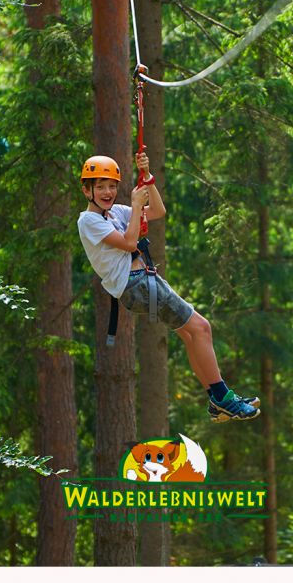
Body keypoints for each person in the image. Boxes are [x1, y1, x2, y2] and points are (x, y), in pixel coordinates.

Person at [77, 153, 260, 423]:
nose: (108, 192)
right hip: (136, 285)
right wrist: (137, 205)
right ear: (86, 190)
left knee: (191, 334)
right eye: (100, 186)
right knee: (201, 328)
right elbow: (129, 243)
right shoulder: (88, 221)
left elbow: (158, 212)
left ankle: (216, 400)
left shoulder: (115, 212)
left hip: (142, 284)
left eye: (112, 186)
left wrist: (148, 178)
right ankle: (223, 398)